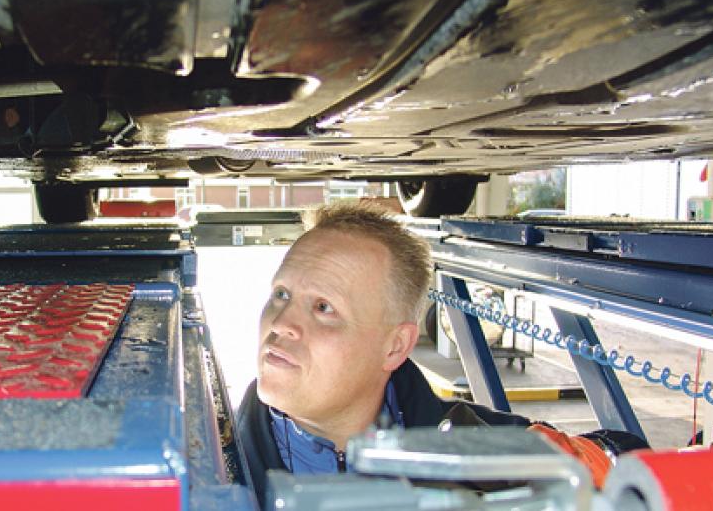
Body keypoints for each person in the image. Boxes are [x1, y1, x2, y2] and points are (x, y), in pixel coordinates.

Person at [236, 201, 646, 504]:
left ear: (395, 346)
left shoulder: (488, 454)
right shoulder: (214, 474)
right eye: (281, 293)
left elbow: (631, 460)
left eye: (323, 308)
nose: (281, 322)